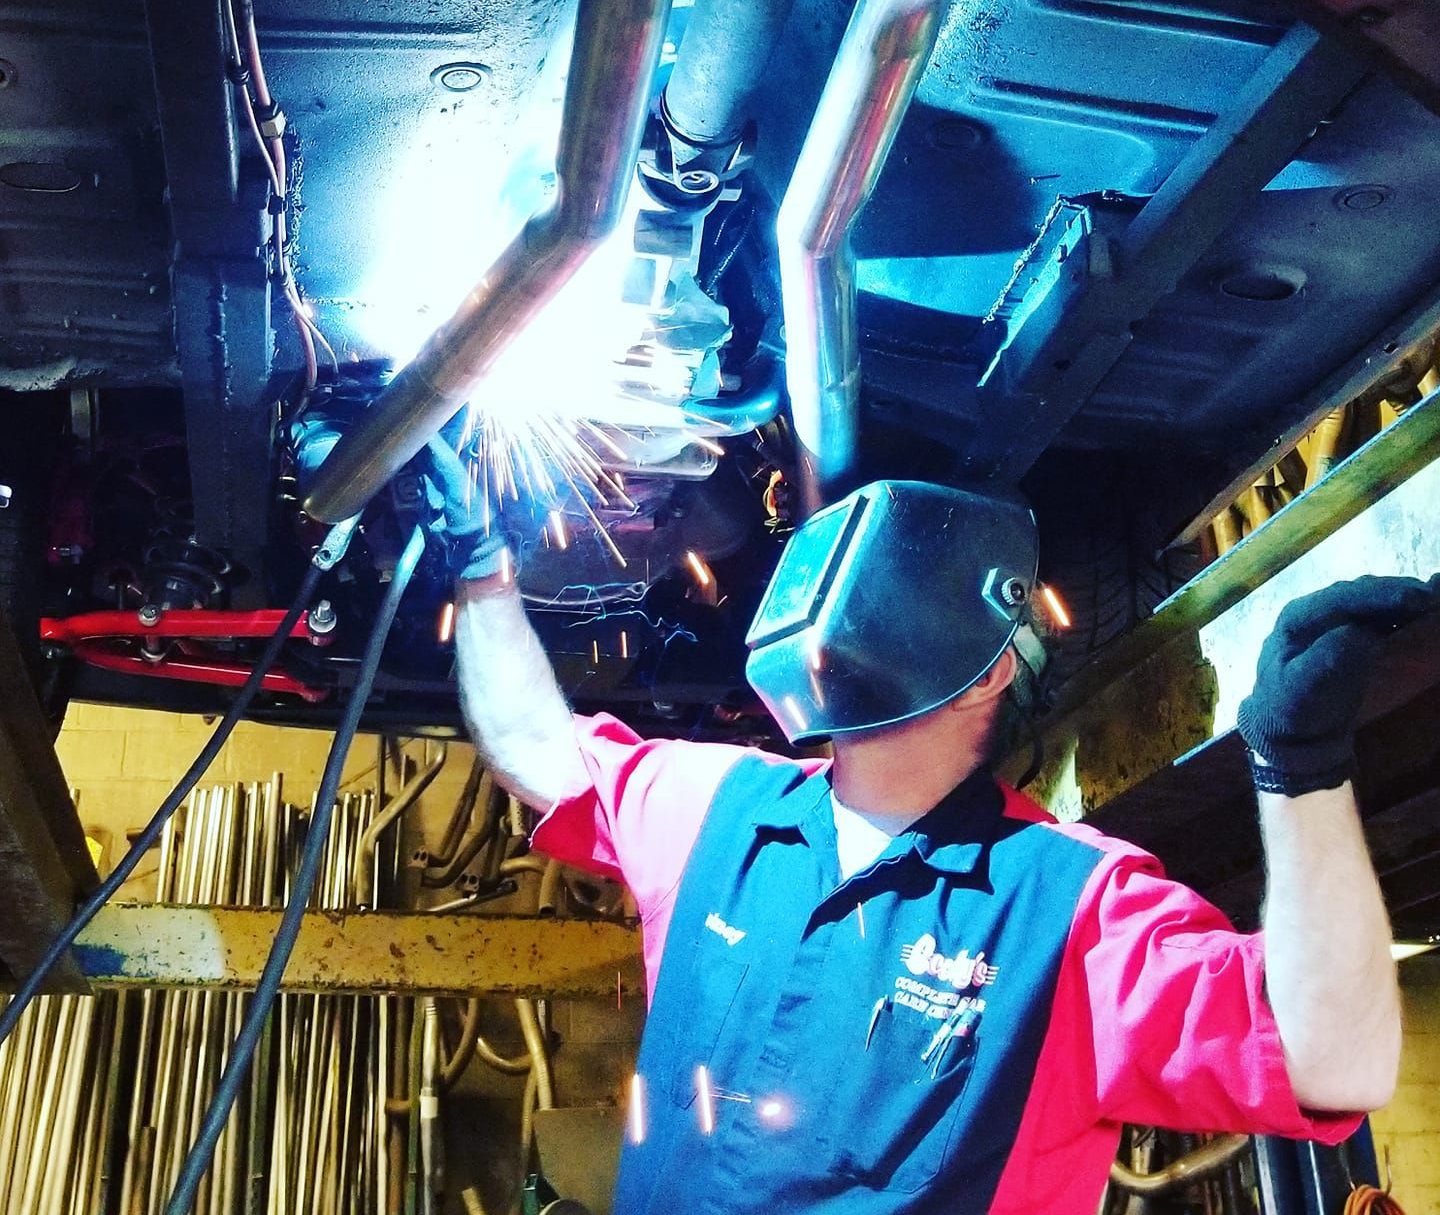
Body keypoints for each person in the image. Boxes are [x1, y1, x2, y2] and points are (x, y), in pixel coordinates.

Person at [427, 453, 1437, 1215]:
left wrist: (1299, 773)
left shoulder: (1076, 908)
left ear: (994, 666)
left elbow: (1332, 1063)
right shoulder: (716, 807)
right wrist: (478, 569)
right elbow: (534, 744)